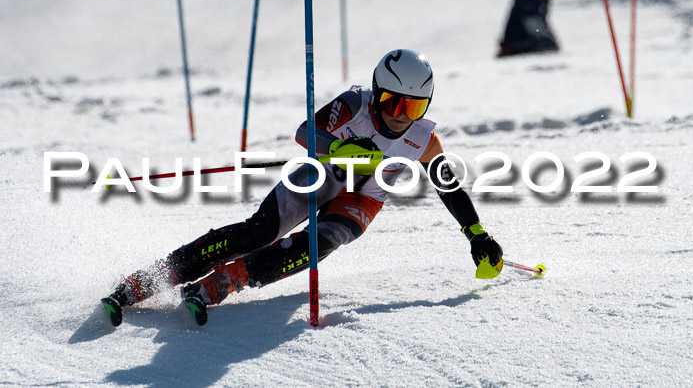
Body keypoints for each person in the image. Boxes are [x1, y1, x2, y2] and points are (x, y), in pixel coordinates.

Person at [101, 49, 504, 327]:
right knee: (258, 231)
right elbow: (305, 131)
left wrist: (477, 234)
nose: (401, 117)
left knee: (319, 243)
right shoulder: (355, 104)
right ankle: (145, 281)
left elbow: (447, 186)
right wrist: (340, 147)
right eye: (394, 103)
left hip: (360, 198)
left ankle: (225, 282)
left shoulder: (423, 140)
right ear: (378, 92)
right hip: (321, 173)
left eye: (414, 108)